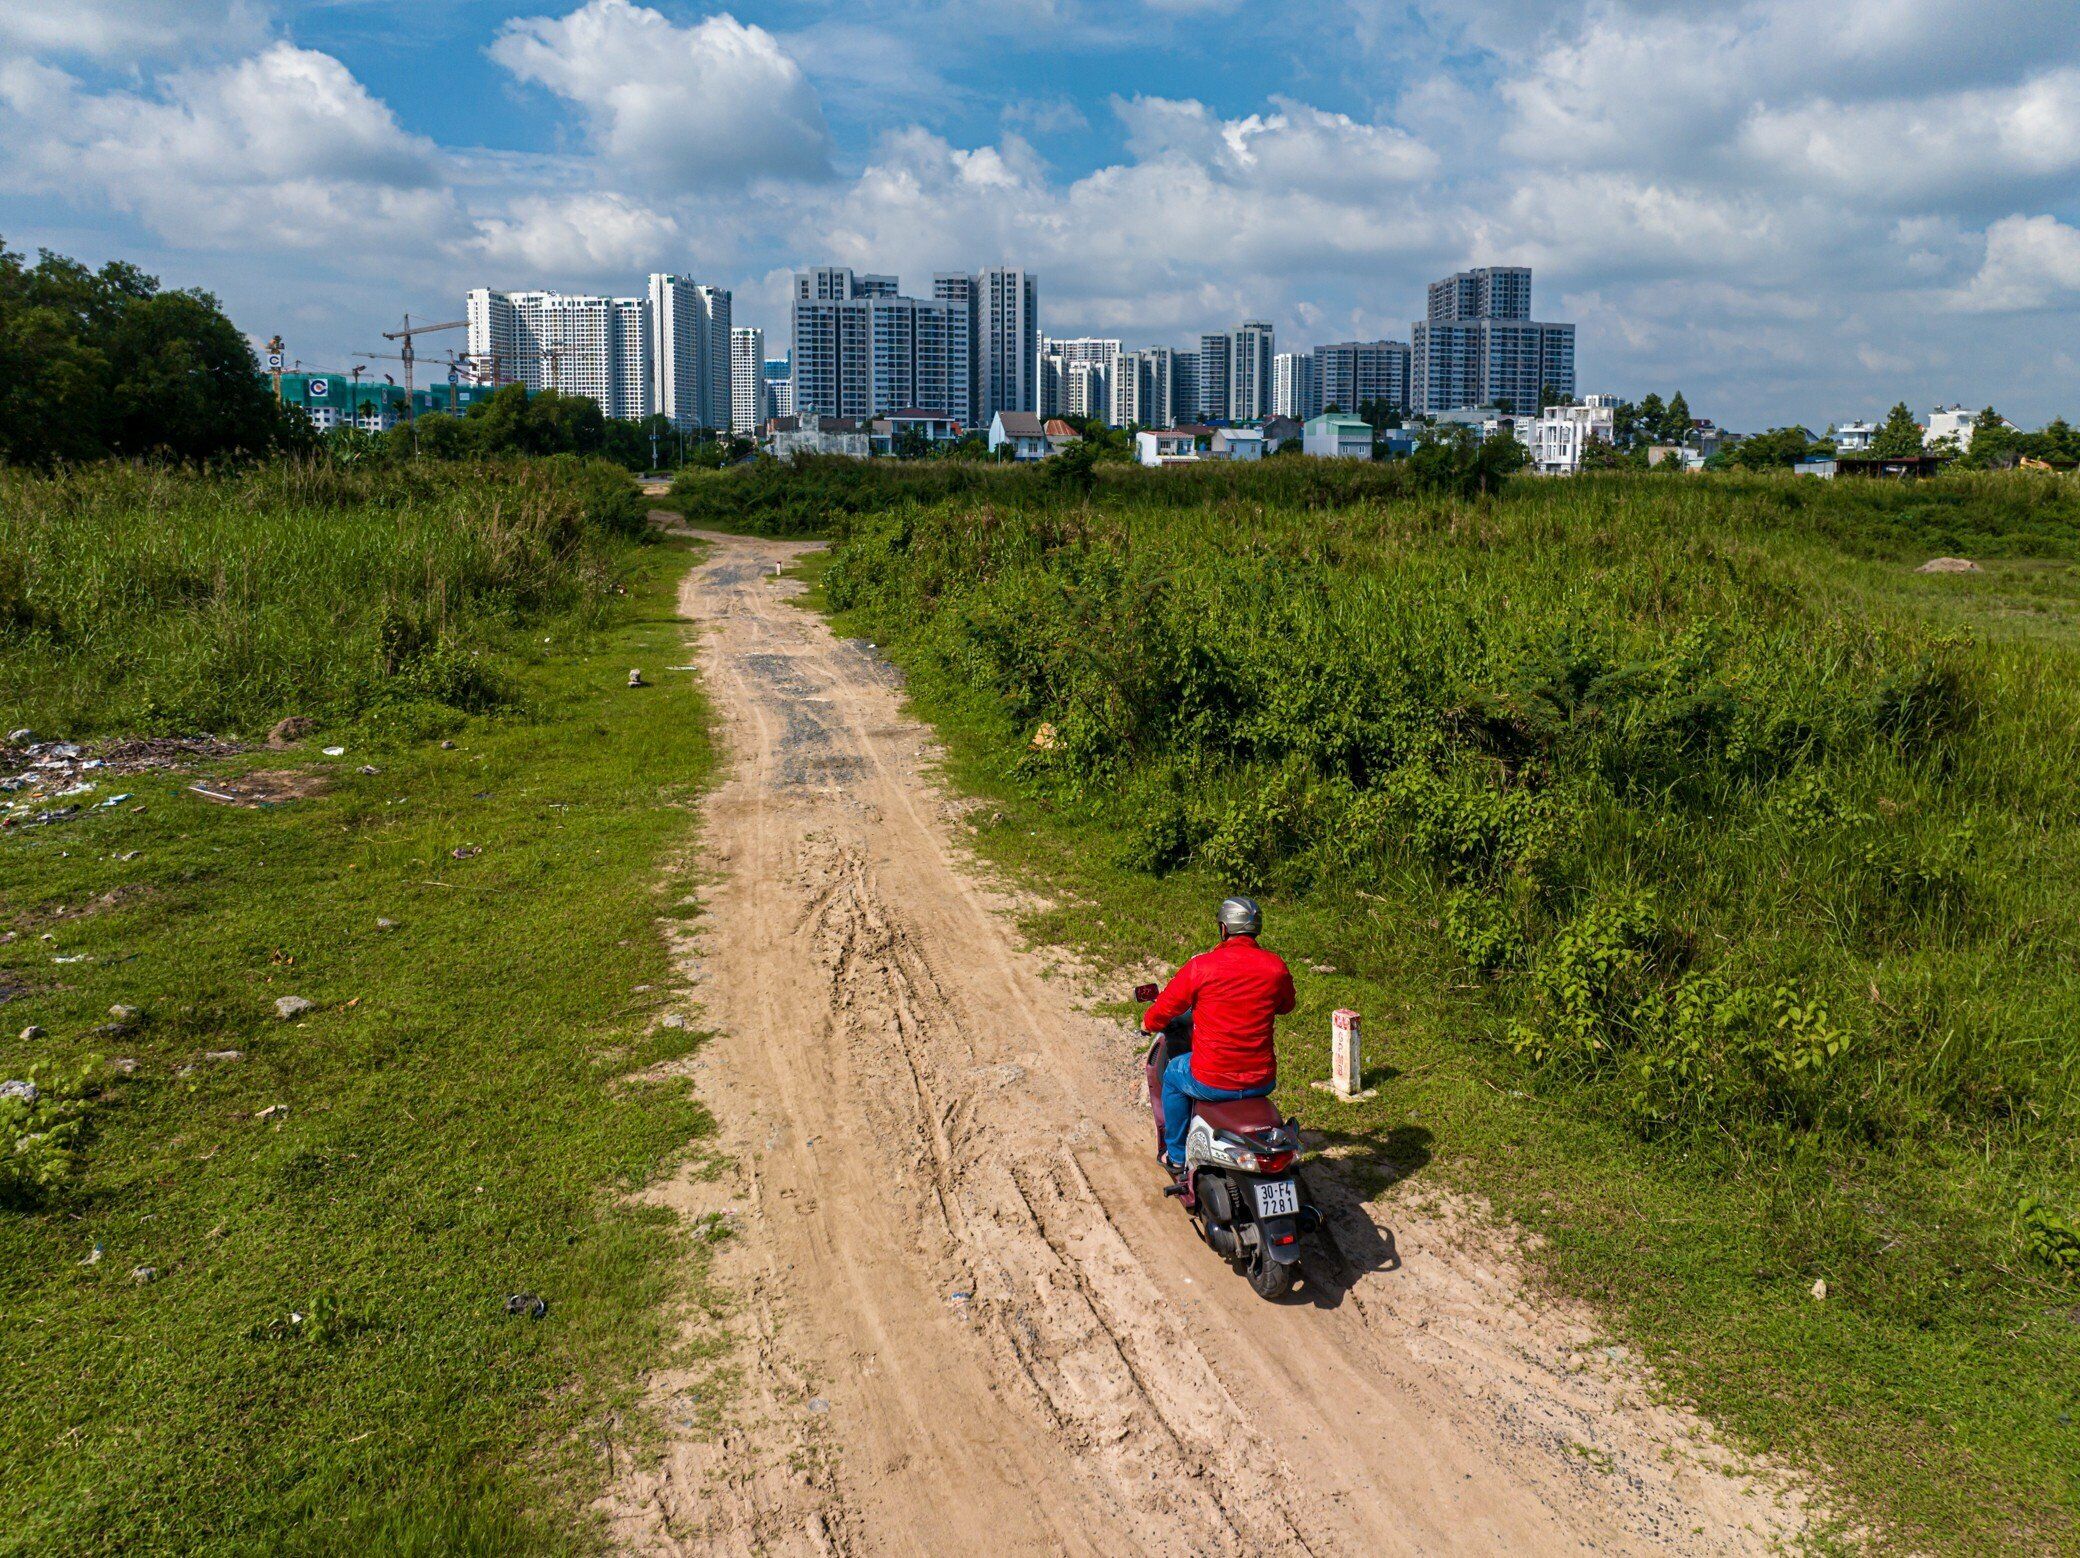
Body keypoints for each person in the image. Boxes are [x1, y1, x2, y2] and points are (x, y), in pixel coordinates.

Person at [1143, 896, 1296, 1174]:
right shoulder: (1275, 967)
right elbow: (1286, 1006)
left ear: (1224, 929)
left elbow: (1166, 1006)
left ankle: (1176, 1156)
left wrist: (1147, 1022)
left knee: (1175, 1074)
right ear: (1256, 930)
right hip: (1261, 1080)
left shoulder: (1202, 966)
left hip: (1212, 1078)